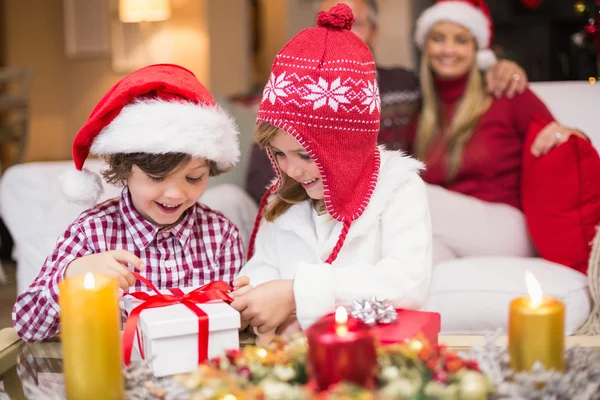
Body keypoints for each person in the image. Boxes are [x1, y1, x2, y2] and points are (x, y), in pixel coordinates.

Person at [230, 4, 432, 337]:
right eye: (279, 154)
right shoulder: (283, 201)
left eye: (305, 155)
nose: (292, 169)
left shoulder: (399, 189)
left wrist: (296, 293)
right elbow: (264, 267)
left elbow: (408, 281)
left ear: (347, 148)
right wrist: (251, 299)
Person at [12, 64, 245, 342]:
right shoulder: (91, 233)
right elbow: (27, 326)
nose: (174, 194)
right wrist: (71, 275)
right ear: (124, 169)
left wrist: (244, 306)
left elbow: (235, 328)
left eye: (193, 178)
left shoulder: (221, 234)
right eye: (156, 178)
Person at [244, 0, 530, 204]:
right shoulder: (294, 90)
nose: (340, 34)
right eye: (329, 23)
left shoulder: (405, 85)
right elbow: (260, 175)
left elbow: (452, 87)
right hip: (303, 202)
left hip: (378, 208)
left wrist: (495, 68)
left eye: (355, 24)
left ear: (375, 33)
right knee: (228, 201)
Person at [411, 0, 587, 264]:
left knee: (408, 190)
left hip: (509, 229)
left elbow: (570, 141)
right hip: (455, 232)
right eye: (438, 38)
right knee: (419, 258)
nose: (448, 49)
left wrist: (570, 134)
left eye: (460, 40)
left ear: (476, 50)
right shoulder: (423, 113)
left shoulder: (506, 94)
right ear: (426, 47)